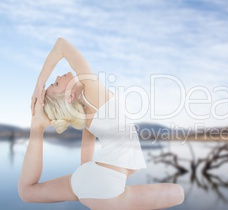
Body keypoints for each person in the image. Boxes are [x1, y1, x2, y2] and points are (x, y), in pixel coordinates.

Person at [18, 37, 185, 209]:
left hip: (85, 182)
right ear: (69, 97)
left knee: (27, 191)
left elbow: (85, 165)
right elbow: (62, 45)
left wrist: (92, 186)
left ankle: (37, 127)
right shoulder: (93, 92)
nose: (58, 75)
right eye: (56, 83)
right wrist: (40, 83)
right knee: (178, 193)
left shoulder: (86, 119)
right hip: (106, 183)